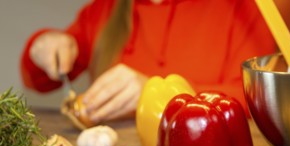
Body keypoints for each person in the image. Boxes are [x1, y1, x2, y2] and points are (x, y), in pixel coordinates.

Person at [20, 0, 276, 124]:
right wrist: (41, 45)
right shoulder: (104, 9)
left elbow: (259, 100)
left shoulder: (243, 9)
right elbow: (40, 80)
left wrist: (163, 95)